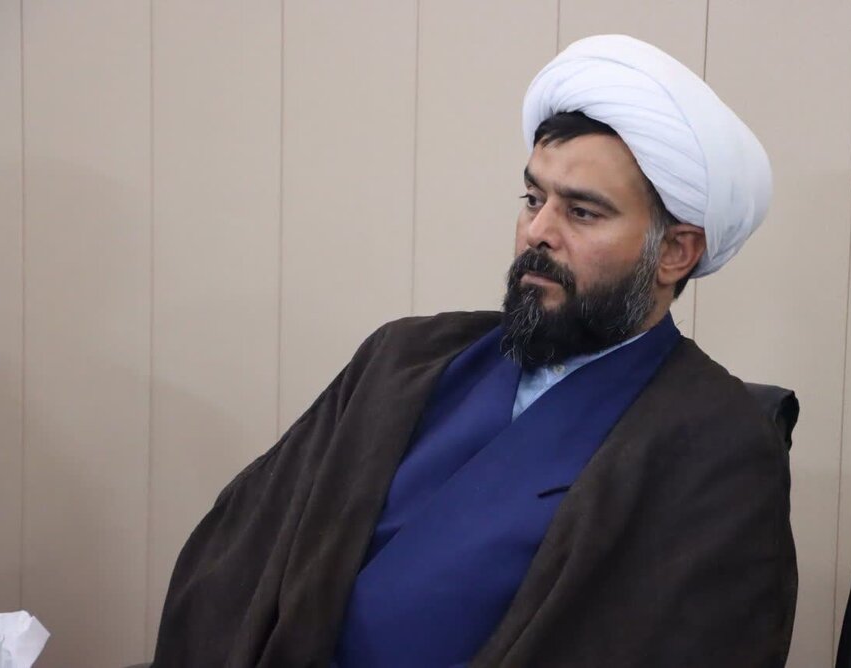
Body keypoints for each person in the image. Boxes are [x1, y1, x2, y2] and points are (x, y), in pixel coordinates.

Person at [152, 34, 796, 668]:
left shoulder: (719, 444)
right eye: (533, 199)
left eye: (582, 213)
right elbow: (238, 557)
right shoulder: (404, 359)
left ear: (675, 251)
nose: (538, 231)